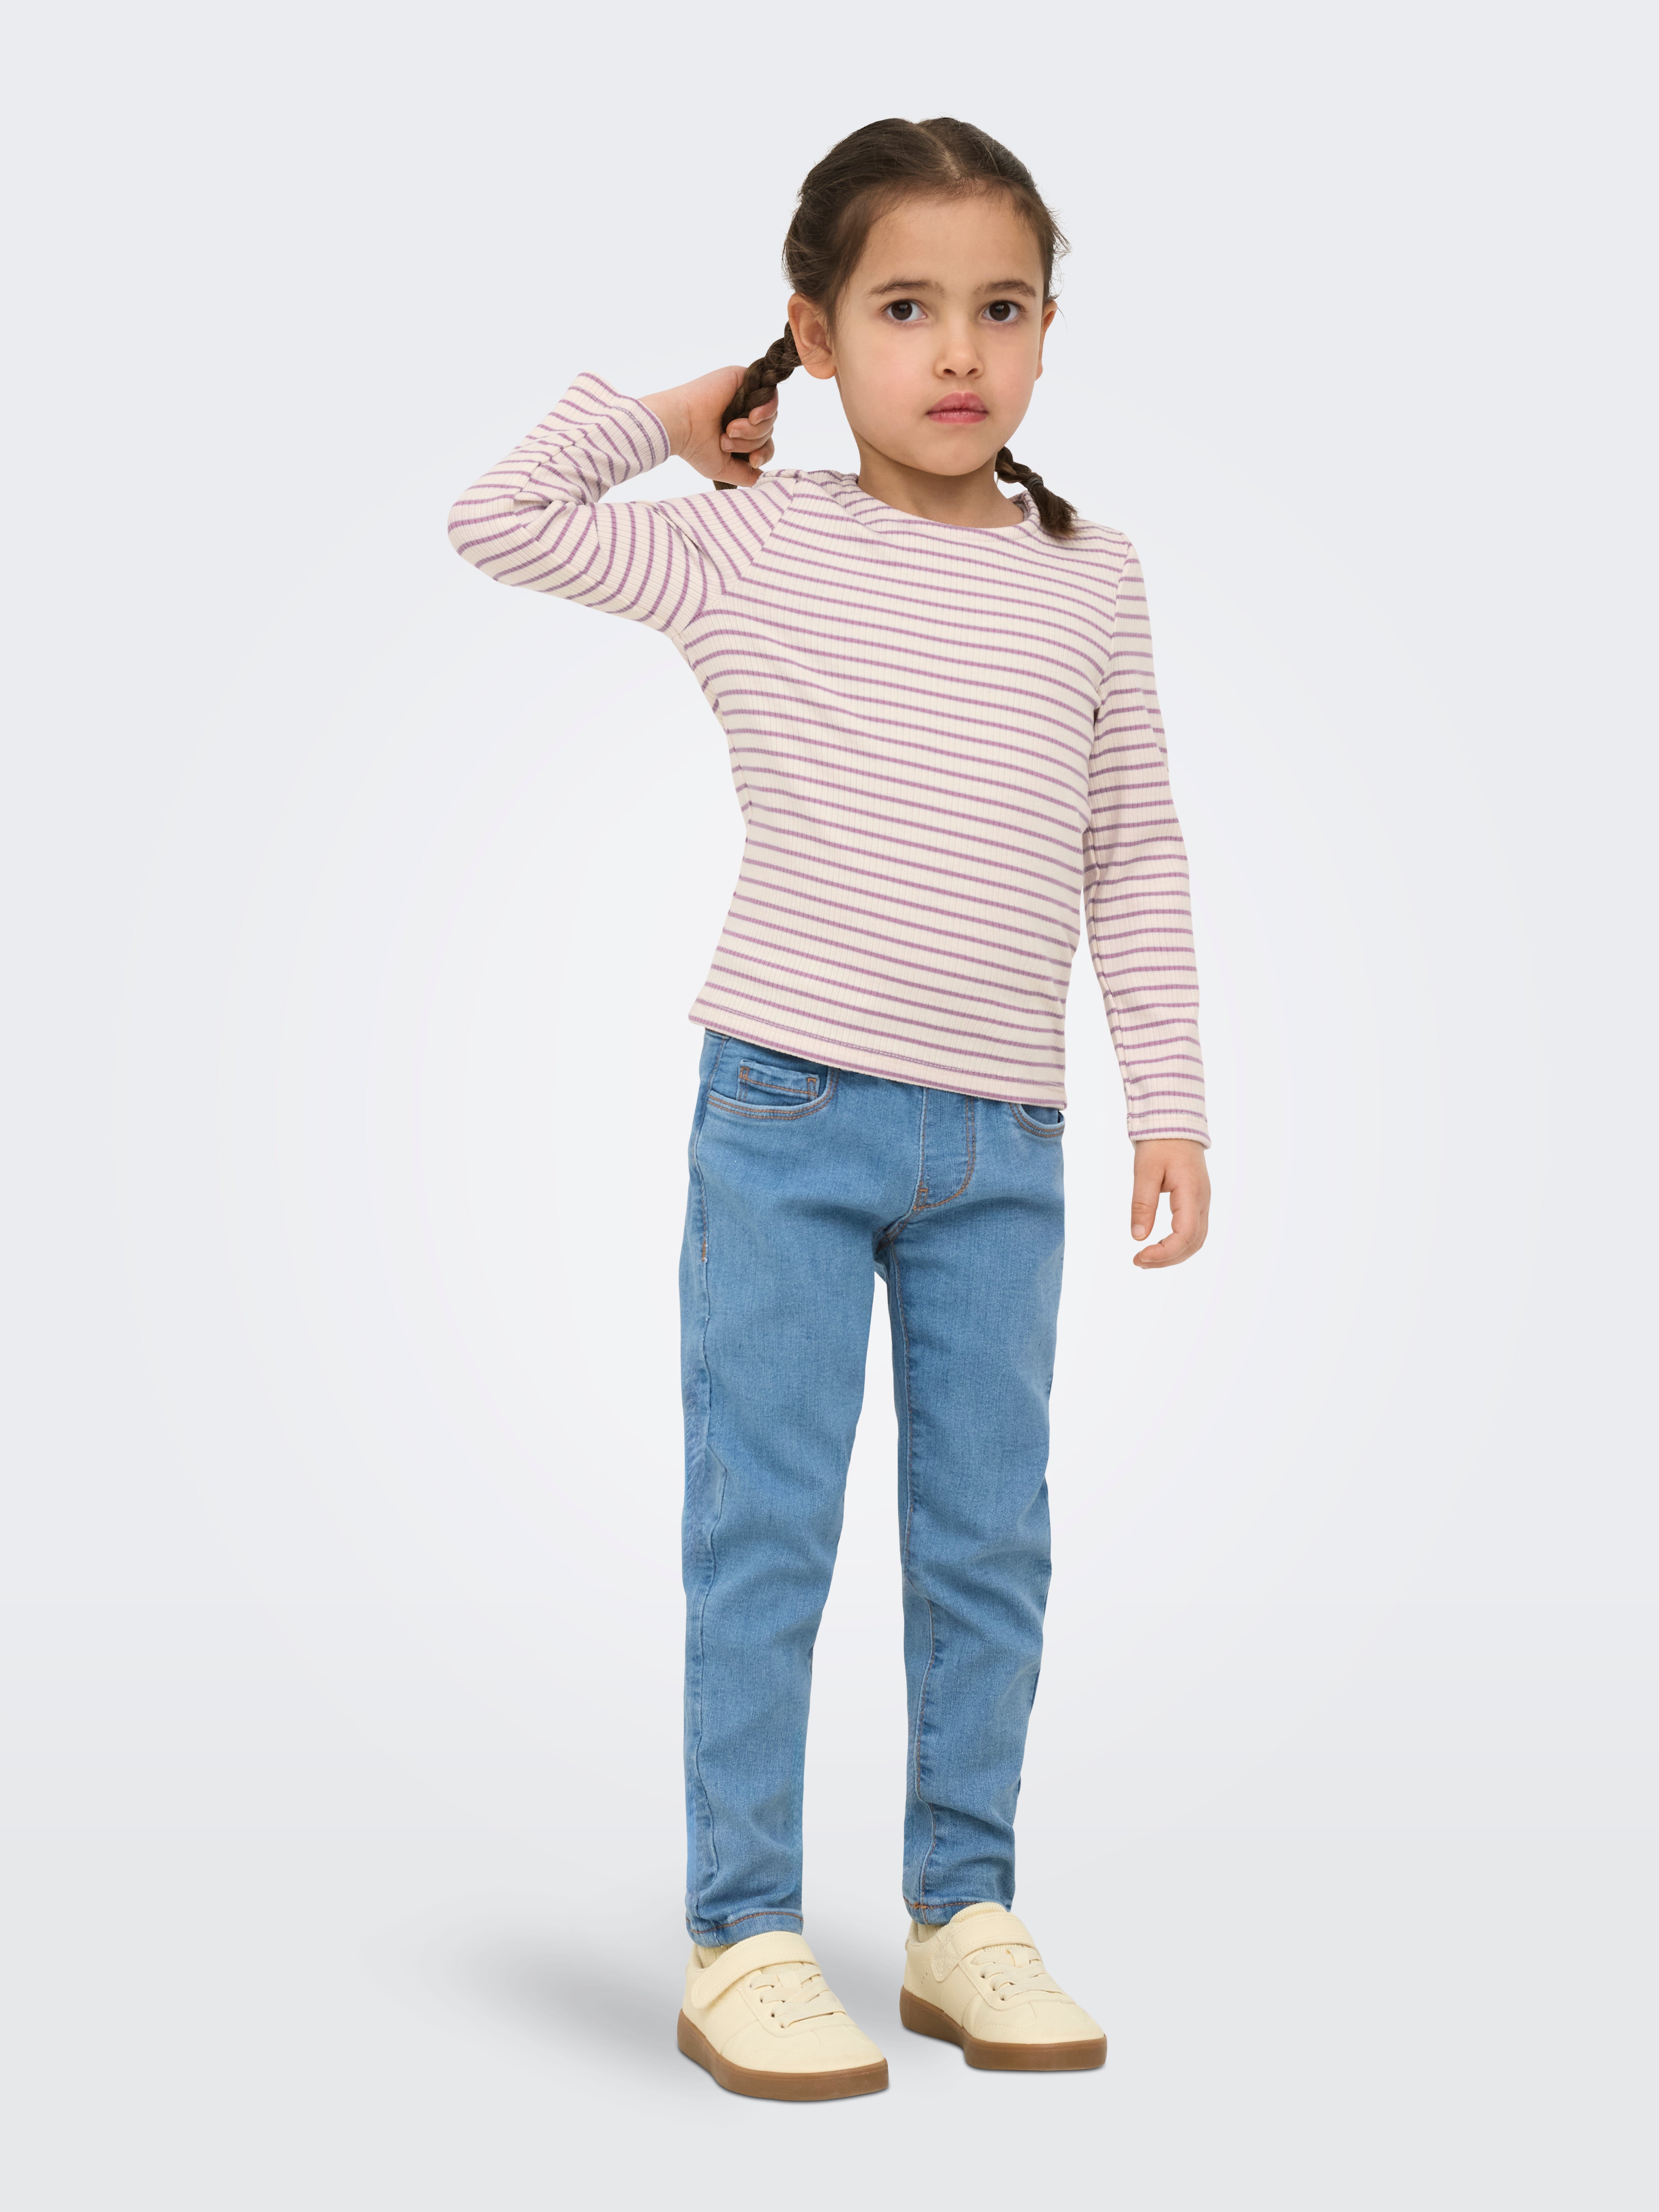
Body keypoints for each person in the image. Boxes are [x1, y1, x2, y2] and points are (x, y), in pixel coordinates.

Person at [448, 115, 1211, 2101]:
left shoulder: (1093, 574)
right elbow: (500, 517)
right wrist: (678, 411)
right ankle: (745, 1935)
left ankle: (965, 1914)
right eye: (902, 309)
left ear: (1047, 332)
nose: (957, 352)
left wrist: (1173, 1101)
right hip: (788, 1117)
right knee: (765, 1533)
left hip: (1006, 1147)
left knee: (989, 1545)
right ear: (816, 331)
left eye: (1002, 309)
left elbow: (1133, 847)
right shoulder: (747, 540)